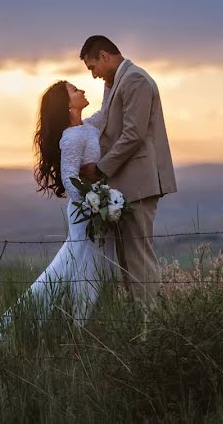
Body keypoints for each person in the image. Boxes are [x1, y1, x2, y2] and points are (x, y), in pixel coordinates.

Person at [0, 80, 112, 340]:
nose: (82, 91)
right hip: (84, 211)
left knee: (74, 266)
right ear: (67, 104)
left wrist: (112, 82)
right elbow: (68, 178)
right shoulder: (71, 136)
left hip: (92, 208)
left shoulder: (87, 127)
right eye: (75, 90)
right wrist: (95, 201)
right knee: (82, 267)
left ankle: (78, 320)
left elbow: (105, 110)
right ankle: (79, 326)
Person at [78, 35, 177, 307]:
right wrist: (74, 128)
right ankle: (139, 323)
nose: (94, 75)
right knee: (126, 260)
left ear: (105, 57)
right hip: (125, 185)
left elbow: (133, 134)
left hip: (139, 183)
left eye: (92, 67)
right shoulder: (115, 83)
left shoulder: (135, 80)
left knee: (138, 257)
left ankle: (151, 324)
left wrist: (100, 168)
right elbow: (104, 118)